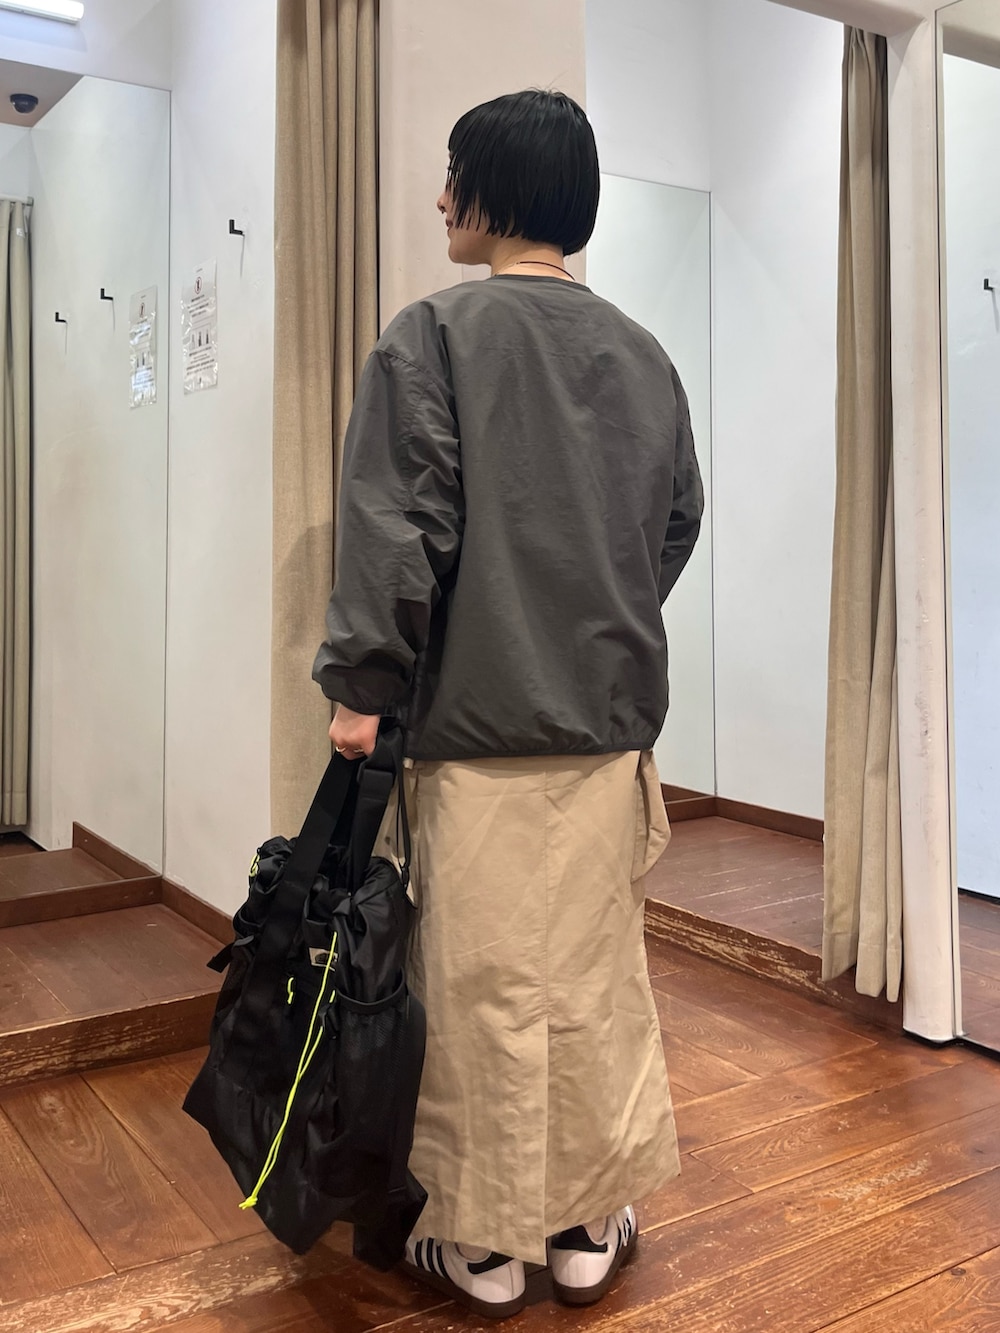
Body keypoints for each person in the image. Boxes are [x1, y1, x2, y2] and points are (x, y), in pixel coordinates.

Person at [313, 88, 703, 1321]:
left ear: (498, 190)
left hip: (473, 736)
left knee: (473, 989)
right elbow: (675, 524)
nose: (440, 198)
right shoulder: (642, 354)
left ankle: (482, 1247)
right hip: (604, 737)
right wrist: (591, 613)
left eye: (454, 174)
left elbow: (396, 532)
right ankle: (586, 1226)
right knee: (595, 983)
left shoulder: (430, 336)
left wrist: (363, 688)